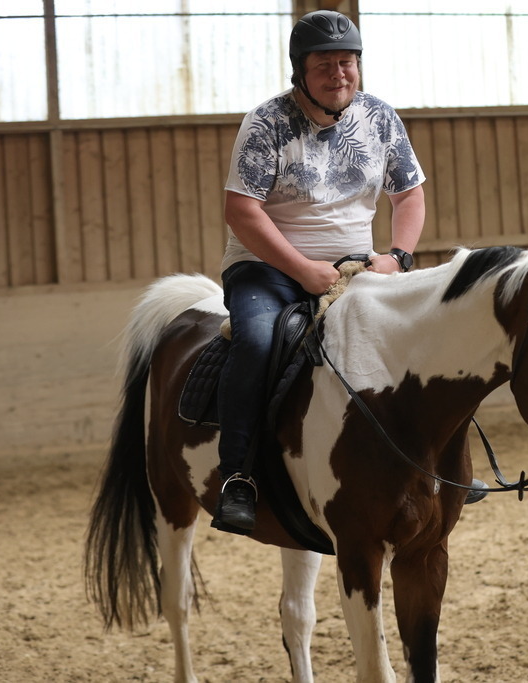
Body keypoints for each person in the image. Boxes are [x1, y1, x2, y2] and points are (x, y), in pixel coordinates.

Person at [212, 9, 426, 534]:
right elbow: (242, 211)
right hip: (267, 267)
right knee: (258, 343)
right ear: (299, 72)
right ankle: (237, 476)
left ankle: (429, 465)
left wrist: (396, 257)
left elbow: (409, 195)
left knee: (418, 337)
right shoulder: (267, 123)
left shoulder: (379, 118)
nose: (339, 74)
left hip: (357, 268)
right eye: (325, 65)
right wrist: (303, 270)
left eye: (347, 62)